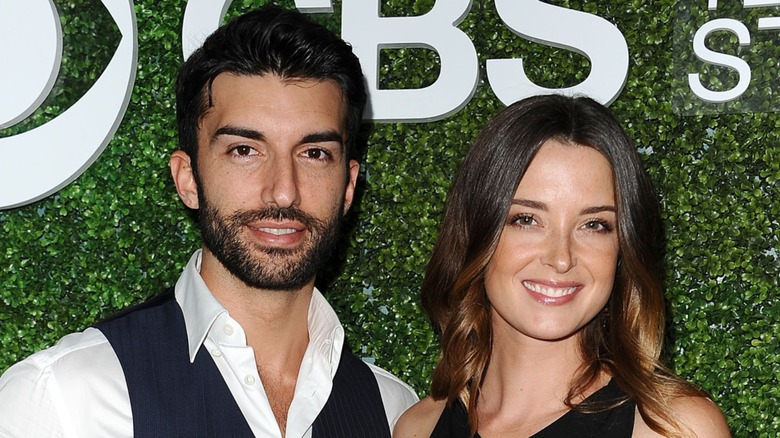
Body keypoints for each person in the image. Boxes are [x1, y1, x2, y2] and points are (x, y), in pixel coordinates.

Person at [0, 5, 417, 437]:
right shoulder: (64, 402)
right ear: (188, 180)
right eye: (244, 150)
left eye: (314, 154)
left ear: (347, 186)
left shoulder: (394, 414)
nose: (283, 192)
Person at [394, 94, 730, 437]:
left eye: (594, 224)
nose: (561, 257)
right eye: (526, 219)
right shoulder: (417, 428)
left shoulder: (675, 428)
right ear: (476, 233)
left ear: (623, 248)